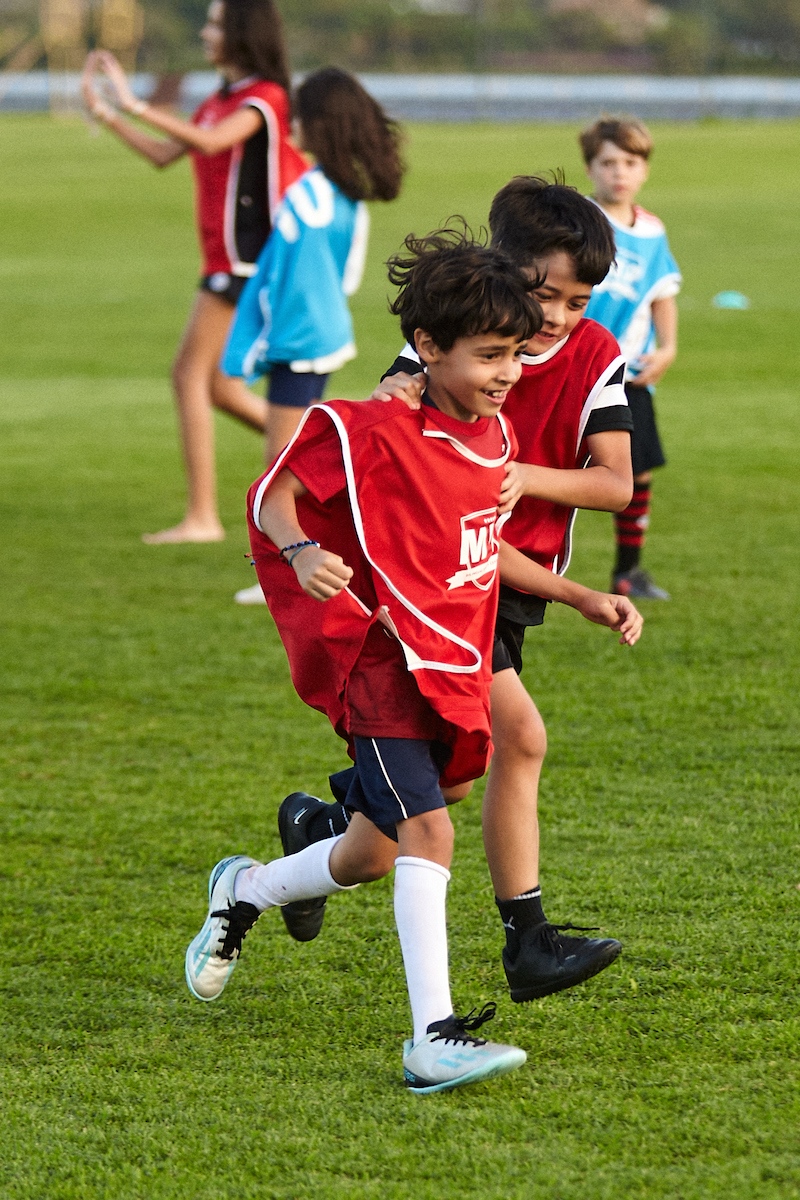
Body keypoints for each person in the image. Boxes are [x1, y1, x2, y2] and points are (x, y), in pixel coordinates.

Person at [185, 228, 541, 1093]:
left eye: (517, 356)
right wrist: (303, 549)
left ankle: (249, 889)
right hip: (377, 658)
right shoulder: (369, 427)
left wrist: (580, 595)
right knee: (433, 831)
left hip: (446, 665)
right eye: (488, 355)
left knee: (373, 852)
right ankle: (433, 1038)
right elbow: (276, 493)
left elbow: (479, 549)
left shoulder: (493, 441)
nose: (506, 373)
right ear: (427, 348)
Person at [279, 178, 643, 1006]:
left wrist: (525, 479)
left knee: (423, 805)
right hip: (445, 575)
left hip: (514, 573)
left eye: (577, 301)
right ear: (502, 271)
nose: (554, 318)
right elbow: (382, 432)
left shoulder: (597, 355)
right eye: (543, 295)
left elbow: (616, 484)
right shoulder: (446, 343)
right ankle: (526, 942)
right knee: (520, 739)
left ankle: (325, 828)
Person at [81, 0, 307, 544]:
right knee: (223, 391)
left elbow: (210, 142)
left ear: (241, 34)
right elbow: (166, 153)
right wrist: (111, 116)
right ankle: (330, 455)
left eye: (214, 23)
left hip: (245, 260)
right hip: (225, 259)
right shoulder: (218, 100)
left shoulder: (264, 99)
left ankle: (202, 517)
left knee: (189, 376)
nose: (206, 33)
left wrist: (135, 101)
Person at [222, 66, 405, 604]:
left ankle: (281, 570)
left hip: (299, 341)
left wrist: (268, 342)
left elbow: (286, 280)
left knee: (281, 464)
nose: (290, 125)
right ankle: (330, 549)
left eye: (296, 117)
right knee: (299, 454)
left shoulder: (308, 195)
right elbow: (346, 273)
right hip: (325, 333)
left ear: (318, 125)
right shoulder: (343, 193)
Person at [580, 116, 682, 600]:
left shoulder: (651, 230)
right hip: (572, 367)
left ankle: (628, 571)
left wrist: (667, 348)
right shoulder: (577, 221)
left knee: (635, 473)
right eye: (608, 162)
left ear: (644, 170)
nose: (619, 172)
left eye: (631, 162)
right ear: (590, 168)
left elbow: (662, 293)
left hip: (627, 374)